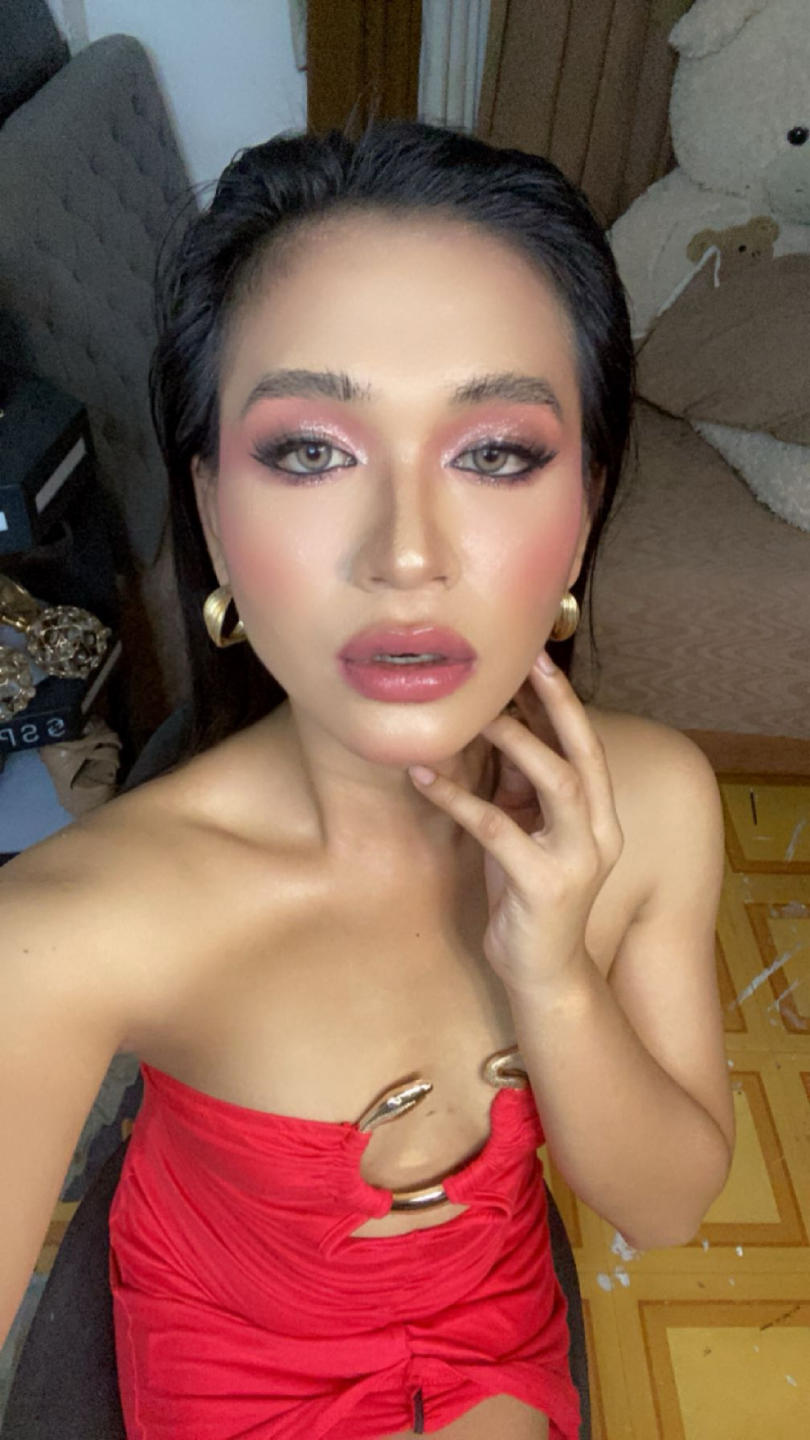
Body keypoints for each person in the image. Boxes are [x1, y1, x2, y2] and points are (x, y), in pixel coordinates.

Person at [1, 119, 735, 1440]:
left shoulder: (657, 805)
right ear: (214, 512)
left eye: (496, 452)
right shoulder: (67, 930)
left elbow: (668, 1207)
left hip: (490, 1329)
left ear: (584, 510)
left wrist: (554, 981)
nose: (405, 555)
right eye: (310, 451)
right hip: (229, 1357)